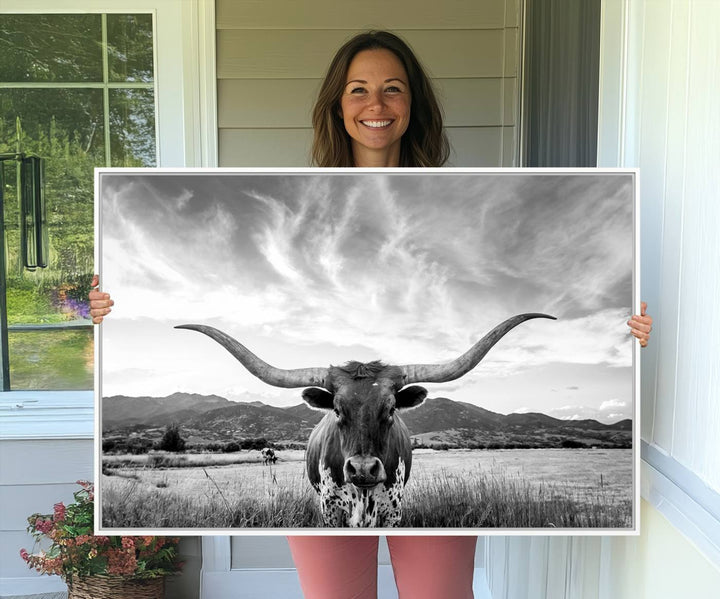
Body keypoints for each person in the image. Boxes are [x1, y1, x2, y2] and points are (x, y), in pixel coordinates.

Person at [89, 30, 652, 599]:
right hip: (332, 465)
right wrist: (107, 310)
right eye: (358, 90)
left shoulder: (468, 199)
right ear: (338, 104)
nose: (375, 105)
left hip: (390, 451)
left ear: (414, 105)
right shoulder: (290, 200)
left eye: (393, 89)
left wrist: (624, 331)